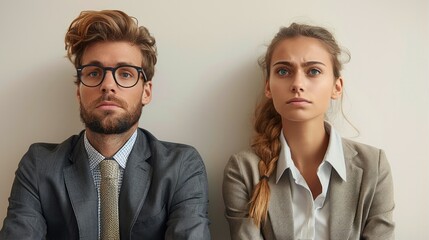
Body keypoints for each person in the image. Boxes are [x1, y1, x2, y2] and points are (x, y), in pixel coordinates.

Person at [0, 10, 210, 240]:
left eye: (126, 74)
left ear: (146, 92)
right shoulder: (40, 165)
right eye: (94, 73)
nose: (108, 85)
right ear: (78, 92)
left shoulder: (181, 166)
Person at [222, 23, 395, 240]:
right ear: (268, 86)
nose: (297, 84)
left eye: (313, 71)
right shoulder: (244, 170)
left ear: (337, 87)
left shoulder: (374, 166)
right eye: (283, 71)